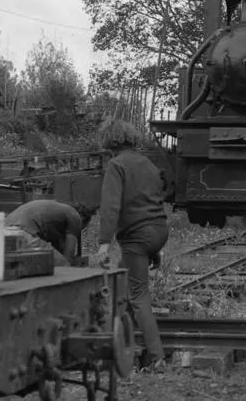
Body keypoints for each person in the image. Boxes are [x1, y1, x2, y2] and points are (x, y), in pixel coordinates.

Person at [95, 120, 169, 372]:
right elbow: (155, 199)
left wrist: (104, 243)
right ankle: (121, 346)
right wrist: (155, 248)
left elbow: (110, 206)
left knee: (138, 295)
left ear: (109, 141)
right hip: (158, 230)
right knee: (121, 285)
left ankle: (157, 358)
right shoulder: (148, 163)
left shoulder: (116, 165)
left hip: (138, 236)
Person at [5, 199, 96, 266]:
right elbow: (68, 256)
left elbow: (58, 249)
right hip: (24, 233)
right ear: (83, 219)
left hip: (5, 231)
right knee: (65, 265)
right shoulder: (75, 216)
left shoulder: (57, 212)